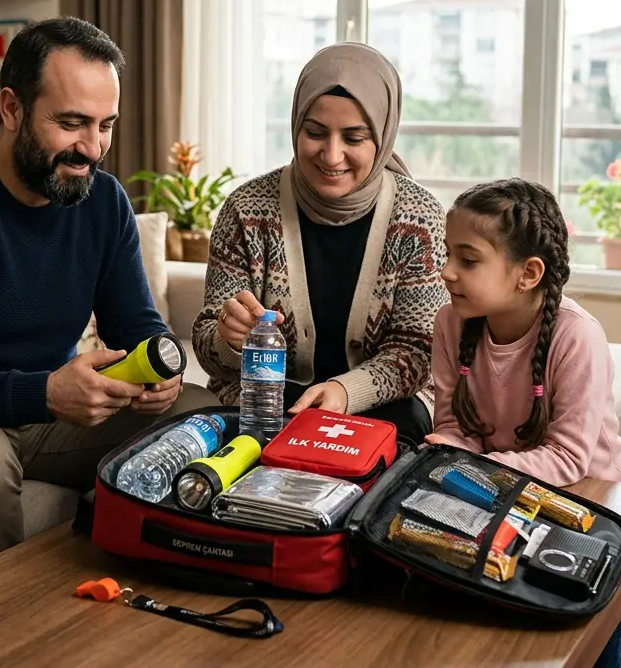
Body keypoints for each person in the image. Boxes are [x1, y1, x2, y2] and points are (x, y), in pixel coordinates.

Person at [0, 17, 219, 553]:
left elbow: (136, 323)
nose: (93, 149)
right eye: (73, 123)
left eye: (105, 125)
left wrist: (159, 365)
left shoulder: (104, 201)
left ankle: (143, 576)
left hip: (50, 411)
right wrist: (46, 392)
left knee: (196, 411)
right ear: (12, 108)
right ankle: (10, 625)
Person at [424, 178, 621, 668]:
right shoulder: (451, 323)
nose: (446, 272)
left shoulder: (577, 336)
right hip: (512, 490)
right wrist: (446, 452)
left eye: (467, 260)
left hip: (593, 499)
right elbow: (453, 426)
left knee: (596, 647)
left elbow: (569, 459)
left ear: (528, 273)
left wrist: (476, 468)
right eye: (448, 254)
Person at [191, 43, 449, 445]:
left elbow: (417, 354)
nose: (331, 155)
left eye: (354, 138)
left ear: (382, 137)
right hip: (264, 406)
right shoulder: (246, 210)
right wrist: (227, 339)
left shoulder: (417, 219)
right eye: (314, 133)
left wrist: (347, 393)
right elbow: (207, 350)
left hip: (380, 408)